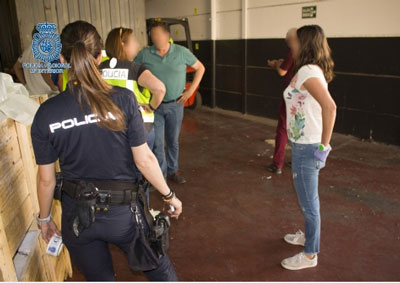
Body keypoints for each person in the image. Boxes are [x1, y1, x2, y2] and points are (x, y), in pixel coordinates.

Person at [31, 21, 182, 281]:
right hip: (125, 216)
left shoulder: (47, 113)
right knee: (161, 273)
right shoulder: (123, 99)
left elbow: (46, 179)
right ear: (101, 56)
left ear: (61, 57)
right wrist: (169, 196)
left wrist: (45, 219)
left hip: (77, 219)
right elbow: (144, 160)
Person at [280, 25, 336, 270]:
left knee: (310, 204)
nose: (291, 44)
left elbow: (330, 107)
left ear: (304, 44)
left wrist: (324, 147)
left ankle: (310, 254)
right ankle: (308, 237)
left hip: (307, 147)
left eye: (295, 40)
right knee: (307, 200)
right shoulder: (309, 69)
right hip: (302, 144)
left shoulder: (307, 71)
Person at [135, 21, 205, 184]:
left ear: (168, 35)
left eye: (158, 34)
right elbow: (133, 70)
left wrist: (190, 91)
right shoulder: (145, 54)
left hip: (176, 105)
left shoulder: (181, 52)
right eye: (152, 35)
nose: (155, 38)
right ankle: (161, 176)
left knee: (173, 141)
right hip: (155, 107)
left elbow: (200, 68)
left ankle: (173, 171)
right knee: (158, 144)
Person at [100, 27, 165, 195]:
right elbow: (160, 89)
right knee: (142, 173)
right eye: (134, 41)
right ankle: (143, 214)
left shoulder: (98, 69)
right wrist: (151, 107)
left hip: (110, 128)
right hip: (140, 128)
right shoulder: (135, 68)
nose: (137, 45)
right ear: (122, 44)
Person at [267, 28, 296, 174]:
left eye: (287, 39)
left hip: (291, 95)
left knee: (283, 129)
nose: (286, 41)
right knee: (299, 128)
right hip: (303, 97)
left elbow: (282, 72)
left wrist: (276, 64)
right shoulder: (308, 52)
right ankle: (297, 160)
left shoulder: (293, 51)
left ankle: (277, 164)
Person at [13, 26, 59, 96]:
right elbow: (43, 69)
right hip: (45, 94)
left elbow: (16, 67)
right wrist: (53, 88)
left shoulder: (26, 51)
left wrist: (25, 85)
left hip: (31, 93)